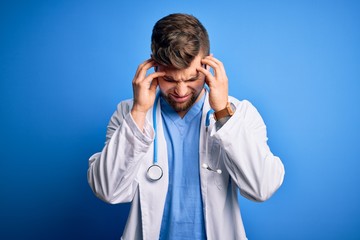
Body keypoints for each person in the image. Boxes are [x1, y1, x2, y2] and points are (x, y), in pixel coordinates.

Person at [87, 13, 285, 240]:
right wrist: (139, 112)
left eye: (191, 79)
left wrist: (222, 113)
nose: (181, 92)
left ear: (208, 65)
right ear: (154, 67)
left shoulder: (239, 114)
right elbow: (107, 190)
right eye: (170, 80)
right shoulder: (129, 114)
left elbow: (262, 188)